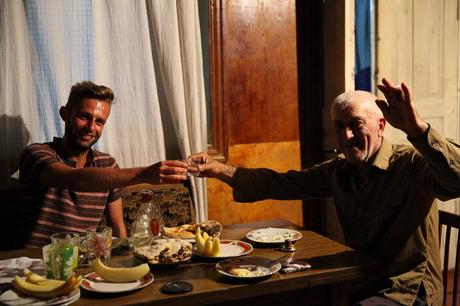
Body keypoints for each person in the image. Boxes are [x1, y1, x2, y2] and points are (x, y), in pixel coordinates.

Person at [189, 78, 460, 305]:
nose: (346, 137)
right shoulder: (339, 171)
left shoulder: (411, 164)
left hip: (405, 291)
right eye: (339, 127)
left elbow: (456, 180)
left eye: (355, 124)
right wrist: (219, 170)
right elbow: (282, 183)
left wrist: (417, 129)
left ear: (381, 125)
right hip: (359, 279)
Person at [18, 81, 188, 248]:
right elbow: (74, 180)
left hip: (85, 263)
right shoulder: (36, 153)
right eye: (83, 117)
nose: (91, 127)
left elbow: (117, 226)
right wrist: (145, 174)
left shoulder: (108, 164)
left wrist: (122, 262)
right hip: (35, 262)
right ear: (65, 114)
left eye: (99, 121)